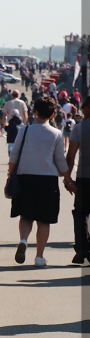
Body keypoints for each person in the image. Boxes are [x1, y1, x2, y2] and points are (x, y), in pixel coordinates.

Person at [8, 97, 68, 267]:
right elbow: (60, 160)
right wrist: (68, 179)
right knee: (44, 220)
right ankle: (39, 257)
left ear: (35, 112)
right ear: (53, 114)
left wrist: (10, 174)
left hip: (25, 177)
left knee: (26, 216)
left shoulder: (24, 131)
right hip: (47, 180)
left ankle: (23, 240)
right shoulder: (56, 134)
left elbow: (14, 155)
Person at [64, 97, 90, 263]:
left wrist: (68, 179)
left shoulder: (79, 129)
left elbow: (71, 156)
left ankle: (81, 250)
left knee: (80, 214)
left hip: (84, 178)